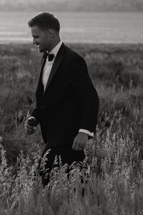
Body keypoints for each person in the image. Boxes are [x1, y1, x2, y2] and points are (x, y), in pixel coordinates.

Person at [25, 11, 100, 183]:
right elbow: (48, 98)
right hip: (54, 136)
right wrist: (34, 117)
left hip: (67, 137)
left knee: (41, 181)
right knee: (79, 184)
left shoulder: (72, 60)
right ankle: (91, 208)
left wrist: (84, 132)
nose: (33, 41)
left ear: (50, 33)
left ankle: (41, 209)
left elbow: (90, 98)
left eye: (36, 37)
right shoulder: (45, 57)